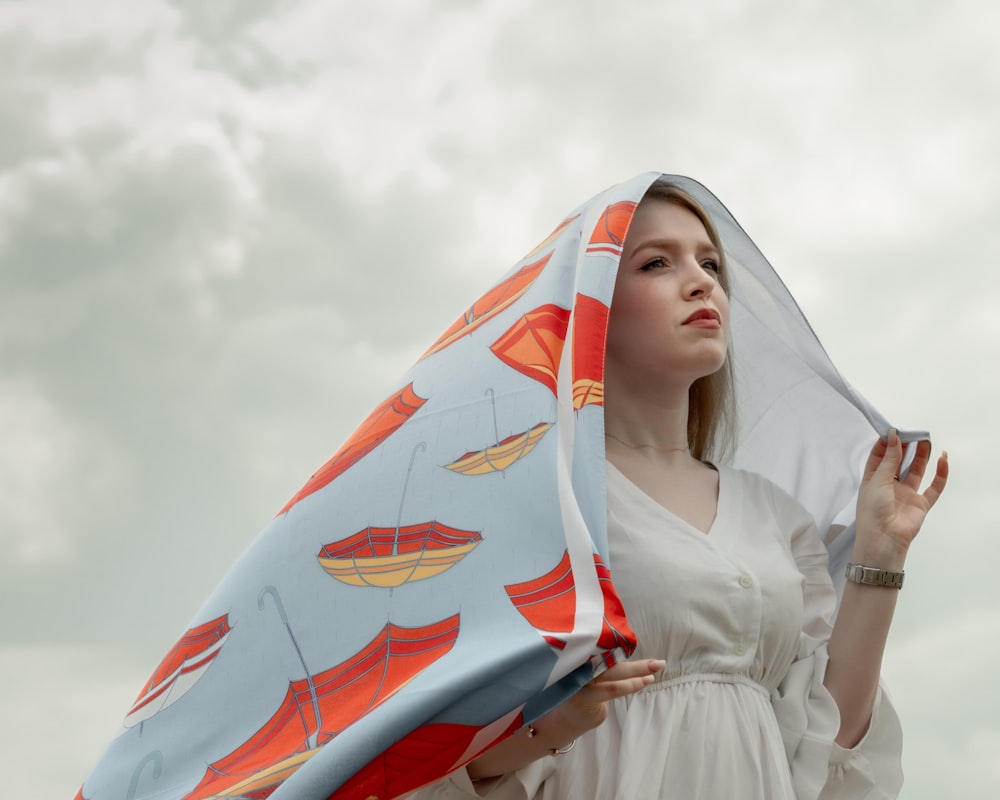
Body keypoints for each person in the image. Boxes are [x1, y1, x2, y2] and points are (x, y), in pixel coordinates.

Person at [408, 180, 948, 799]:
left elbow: (831, 745)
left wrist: (880, 554)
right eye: (657, 263)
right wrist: (549, 725)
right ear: (590, 309)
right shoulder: (544, 499)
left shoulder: (774, 515)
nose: (701, 282)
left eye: (710, 263)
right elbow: (440, 751)